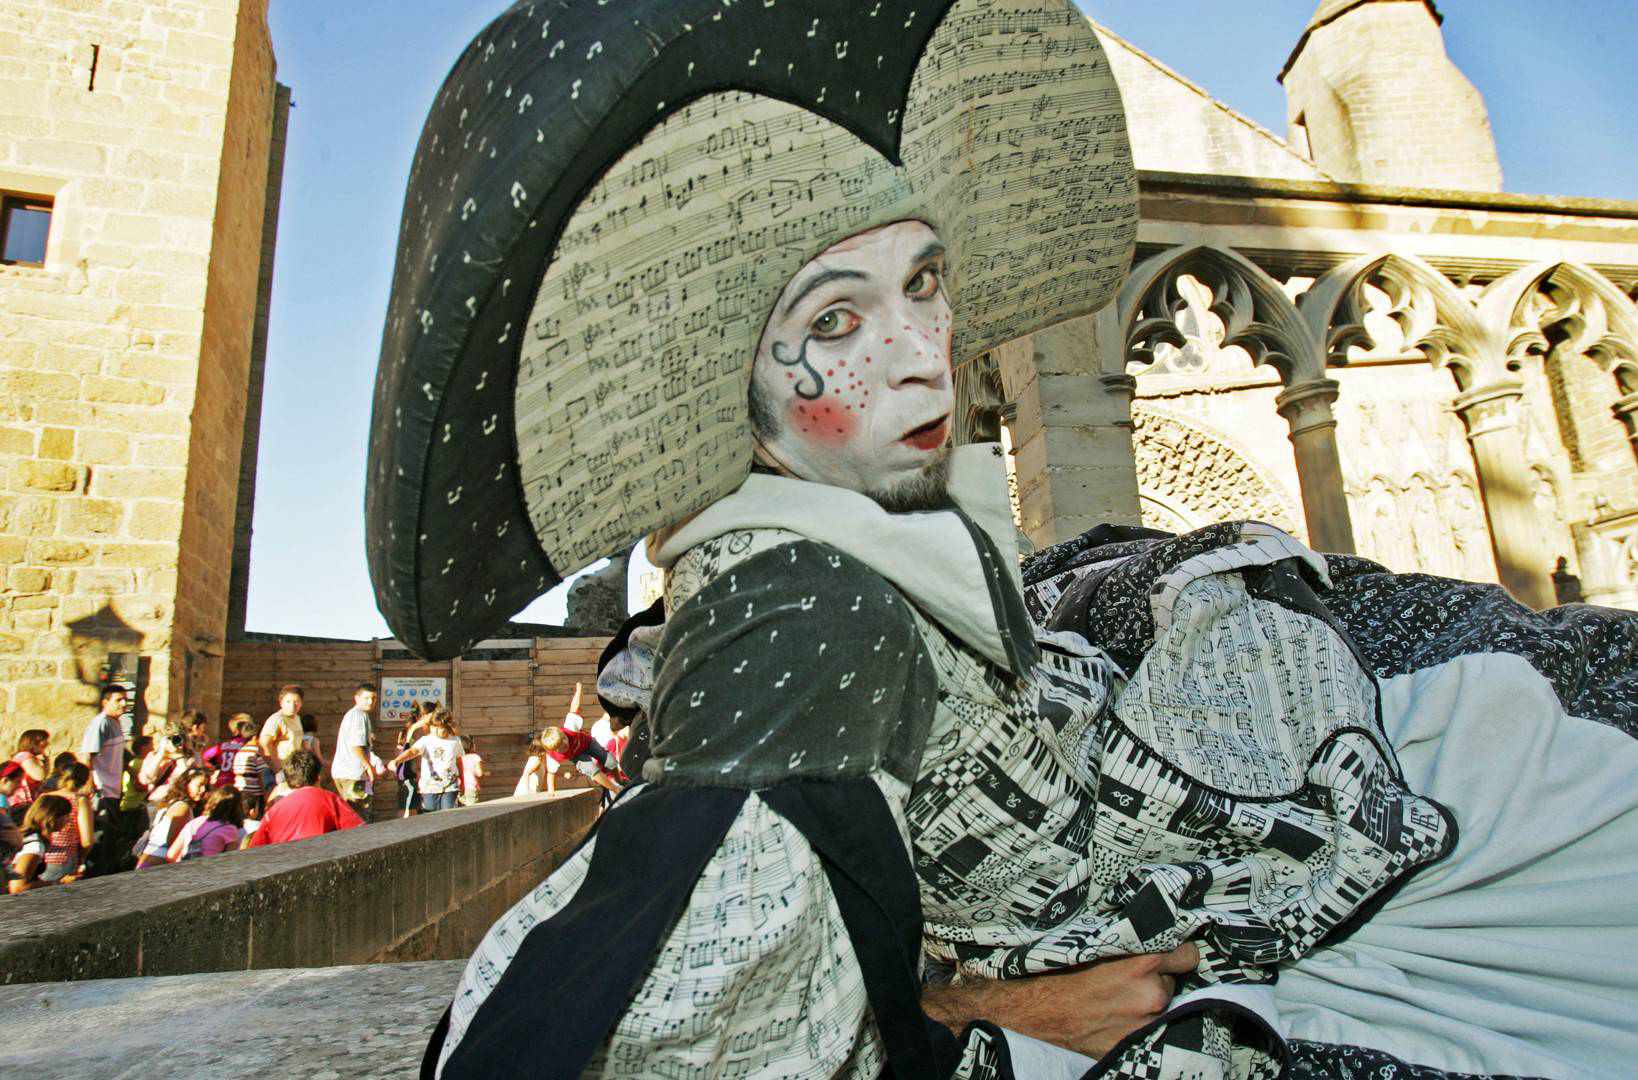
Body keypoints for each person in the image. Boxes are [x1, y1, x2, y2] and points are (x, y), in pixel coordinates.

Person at [243, 750, 363, 848]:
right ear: (318, 777)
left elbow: (255, 848)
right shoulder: (330, 799)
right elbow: (359, 833)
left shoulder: (274, 810)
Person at [135, 766, 210, 869]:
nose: (203, 790)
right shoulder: (182, 808)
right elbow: (172, 841)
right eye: (200, 785)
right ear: (186, 784)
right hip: (158, 862)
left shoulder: (173, 803)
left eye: (206, 786)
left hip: (151, 859)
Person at [389, 710, 463, 813]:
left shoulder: (455, 741)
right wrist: (397, 760)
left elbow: (459, 761)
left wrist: (462, 781)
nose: (435, 731)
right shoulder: (426, 740)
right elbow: (412, 751)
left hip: (450, 787)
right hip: (429, 787)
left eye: (439, 728)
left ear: (447, 727)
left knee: (449, 815)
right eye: (433, 727)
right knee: (430, 815)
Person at [331, 683, 383, 817]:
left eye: (373, 698)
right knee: (360, 816)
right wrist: (369, 767)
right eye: (366, 698)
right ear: (357, 698)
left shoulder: (355, 714)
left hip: (347, 773)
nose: (370, 702)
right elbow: (356, 745)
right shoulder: (359, 715)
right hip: (354, 774)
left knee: (352, 814)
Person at [76, 686, 127, 817]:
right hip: (102, 791)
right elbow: (86, 755)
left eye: (125, 700)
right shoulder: (101, 723)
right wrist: (88, 784)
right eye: (119, 700)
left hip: (113, 790)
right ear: (105, 702)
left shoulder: (115, 722)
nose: (124, 703)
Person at [8, 794, 75, 893]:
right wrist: (59, 882)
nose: (69, 820)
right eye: (66, 816)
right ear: (52, 817)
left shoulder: (26, 836)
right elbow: (17, 888)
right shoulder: (34, 846)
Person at [40, 762, 95, 882]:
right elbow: (87, 841)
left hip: (39, 857)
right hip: (64, 859)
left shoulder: (44, 797)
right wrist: (82, 858)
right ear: (85, 781)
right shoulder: (80, 801)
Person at [167, 787, 245, 862]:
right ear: (238, 809)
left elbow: (171, 855)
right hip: (209, 868)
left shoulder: (195, 822)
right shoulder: (229, 830)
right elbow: (230, 860)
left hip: (186, 867)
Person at [538, 726, 619, 796]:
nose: (566, 743)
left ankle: (619, 779)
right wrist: (551, 791)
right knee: (590, 769)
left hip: (588, 743)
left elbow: (575, 712)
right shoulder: (553, 756)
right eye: (562, 747)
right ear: (555, 750)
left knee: (610, 761)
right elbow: (551, 773)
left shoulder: (570, 727)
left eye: (564, 738)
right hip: (577, 755)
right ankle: (615, 789)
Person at [395, 701, 437, 817]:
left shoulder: (410, 728)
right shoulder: (420, 729)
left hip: (407, 774)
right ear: (426, 715)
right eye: (434, 714)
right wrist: (419, 773)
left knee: (407, 807)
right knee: (410, 811)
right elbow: (417, 754)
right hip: (415, 775)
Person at [257, 684, 305, 783]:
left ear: (301, 703)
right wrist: (278, 769)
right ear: (281, 702)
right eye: (288, 701)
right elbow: (263, 744)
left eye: (296, 702)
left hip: (294, 770)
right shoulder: (277, 720)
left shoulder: (297, 718)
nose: (292, 706)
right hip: (281, 771)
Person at [8, 729, 49, 824]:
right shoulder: (25, 756)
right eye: (44, 740)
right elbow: (40, 776)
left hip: (23, 802)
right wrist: (45, 761)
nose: (47, 743)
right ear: (34, 742)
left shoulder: (26, 756)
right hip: (21, 802)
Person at [512, 732, 548, 798]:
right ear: (542, 751)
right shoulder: (537, 761)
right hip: (527, 792)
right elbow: (527, 773)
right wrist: (527, 791)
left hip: (530, 791)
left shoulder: (535, 759)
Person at [457, 735, 484, 808]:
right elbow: (479, 773)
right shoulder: (475, 757)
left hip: (458, 788)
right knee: (472, 810)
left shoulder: (457, 758)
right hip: (471, 786)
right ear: (470, 745)